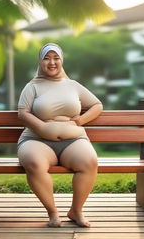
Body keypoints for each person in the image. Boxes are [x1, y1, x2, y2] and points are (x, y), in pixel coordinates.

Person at [17, 43, 103, 227]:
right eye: (47, 58)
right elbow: (22, 113)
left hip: (73, 141)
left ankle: (76, 211)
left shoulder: (73, 85)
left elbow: (97, 105)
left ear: (62, 61)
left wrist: (79, 121)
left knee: (89, 161)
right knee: (34, 162)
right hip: (36, 140)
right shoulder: (32, 86)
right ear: (40, 62)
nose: (52, 62)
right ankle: (53, 213)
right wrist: (43, 128)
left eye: (56, 58)